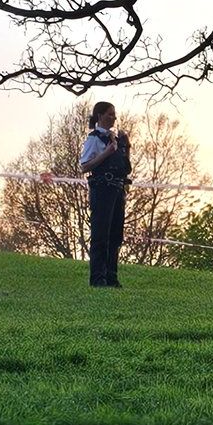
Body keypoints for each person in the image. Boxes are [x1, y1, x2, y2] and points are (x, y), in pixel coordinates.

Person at [77, 100, 130, 288]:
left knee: (115, 235)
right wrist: (106, 153)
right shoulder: (94, 139)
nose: (113, 117)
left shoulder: (116, 139)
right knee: (101, 235)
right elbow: (85, 166)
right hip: (101, 188)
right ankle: (97, 279)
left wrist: (126, 147)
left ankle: (112, 277)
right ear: (99, 116)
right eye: (109, 114)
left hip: (117, 189)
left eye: (114, 114)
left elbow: (126, 168)